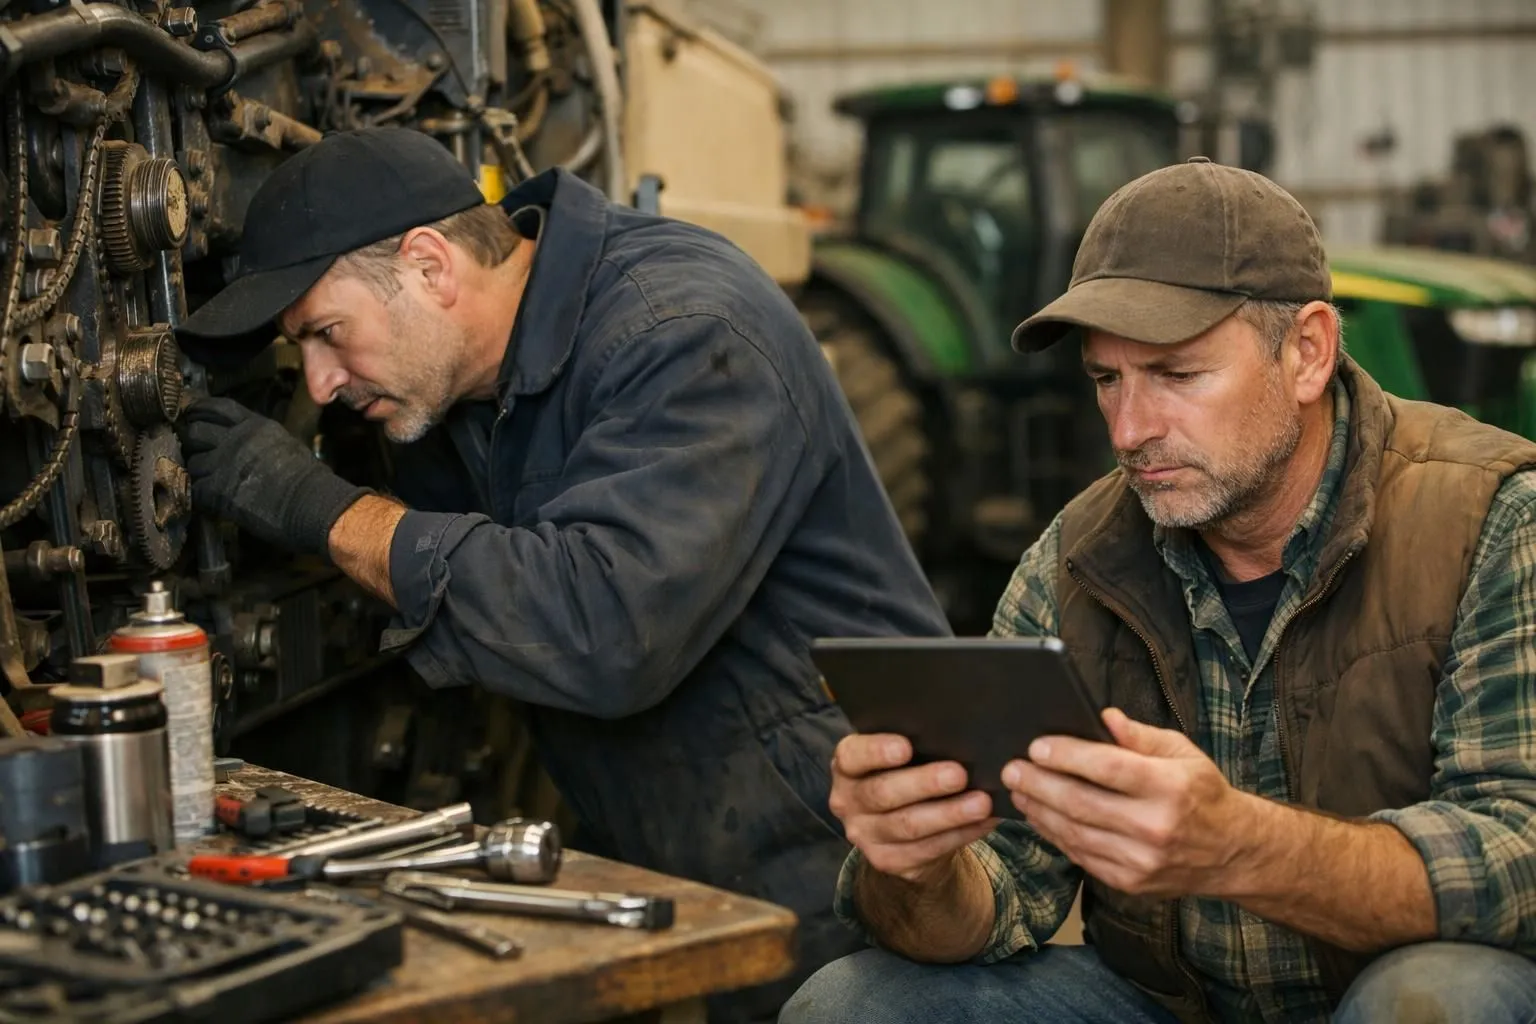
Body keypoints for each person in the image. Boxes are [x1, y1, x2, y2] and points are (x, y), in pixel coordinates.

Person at [172, 126, 951, 1020]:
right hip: (659, 832)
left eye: (326, 332)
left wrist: (318, 507)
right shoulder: (450, 387)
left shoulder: (683, 329)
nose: (316, 383)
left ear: (429, 266)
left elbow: (603, 631)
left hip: (841, 850)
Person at [780, 157, 1536, 1024]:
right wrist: (913, 866)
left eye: (1177, 375)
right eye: (1108, 380)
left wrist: (1240, 849)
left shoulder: (1493, 520)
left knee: (1439, 1001)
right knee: (851, 1004)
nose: (1131, 430)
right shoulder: (1075, 562)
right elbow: (1000, 893)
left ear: (1309, 352)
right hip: (1169, 1006)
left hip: (1395, 994)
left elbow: (1522, 854)